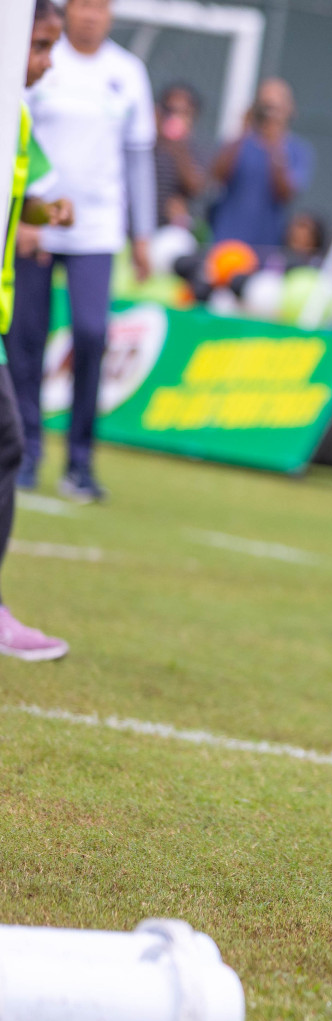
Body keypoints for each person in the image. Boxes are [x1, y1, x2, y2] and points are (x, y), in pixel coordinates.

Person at [11, 0, 156, 501]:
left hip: (97, 228)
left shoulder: (127, 72)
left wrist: (143, 234)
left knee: (92, 335)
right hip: (34, 225)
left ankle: (80, 460)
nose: (90, 15)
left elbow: (138, 160)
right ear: (66, 10)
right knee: (26, 337)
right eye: (82, 5)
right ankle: (27, 450)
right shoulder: (37, 57)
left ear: (112, 14)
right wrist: (30, 215)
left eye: (100, 6)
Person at [0, 0, 71, 658]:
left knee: (6, 445)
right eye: (40, 46)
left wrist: (47, 209)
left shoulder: (15, 118)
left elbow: (28, 196)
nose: (46, 63)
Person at [209, 77, 314, 250]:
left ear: (290, 109)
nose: (269, 115)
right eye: (264, 107)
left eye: (275, 108)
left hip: (268, 244)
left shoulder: (298, 150)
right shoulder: (237, 144)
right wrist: (243, 131)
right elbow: (216, 177)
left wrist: (275, 146)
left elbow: (286, 194)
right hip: (227, 241)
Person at [154, 81, 207, 230]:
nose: (175, 117)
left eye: (183, 112)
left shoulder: (193, 151)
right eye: (169, 111)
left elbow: (196, 187)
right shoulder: (145, 145)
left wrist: (178, 145)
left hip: (169, 231)